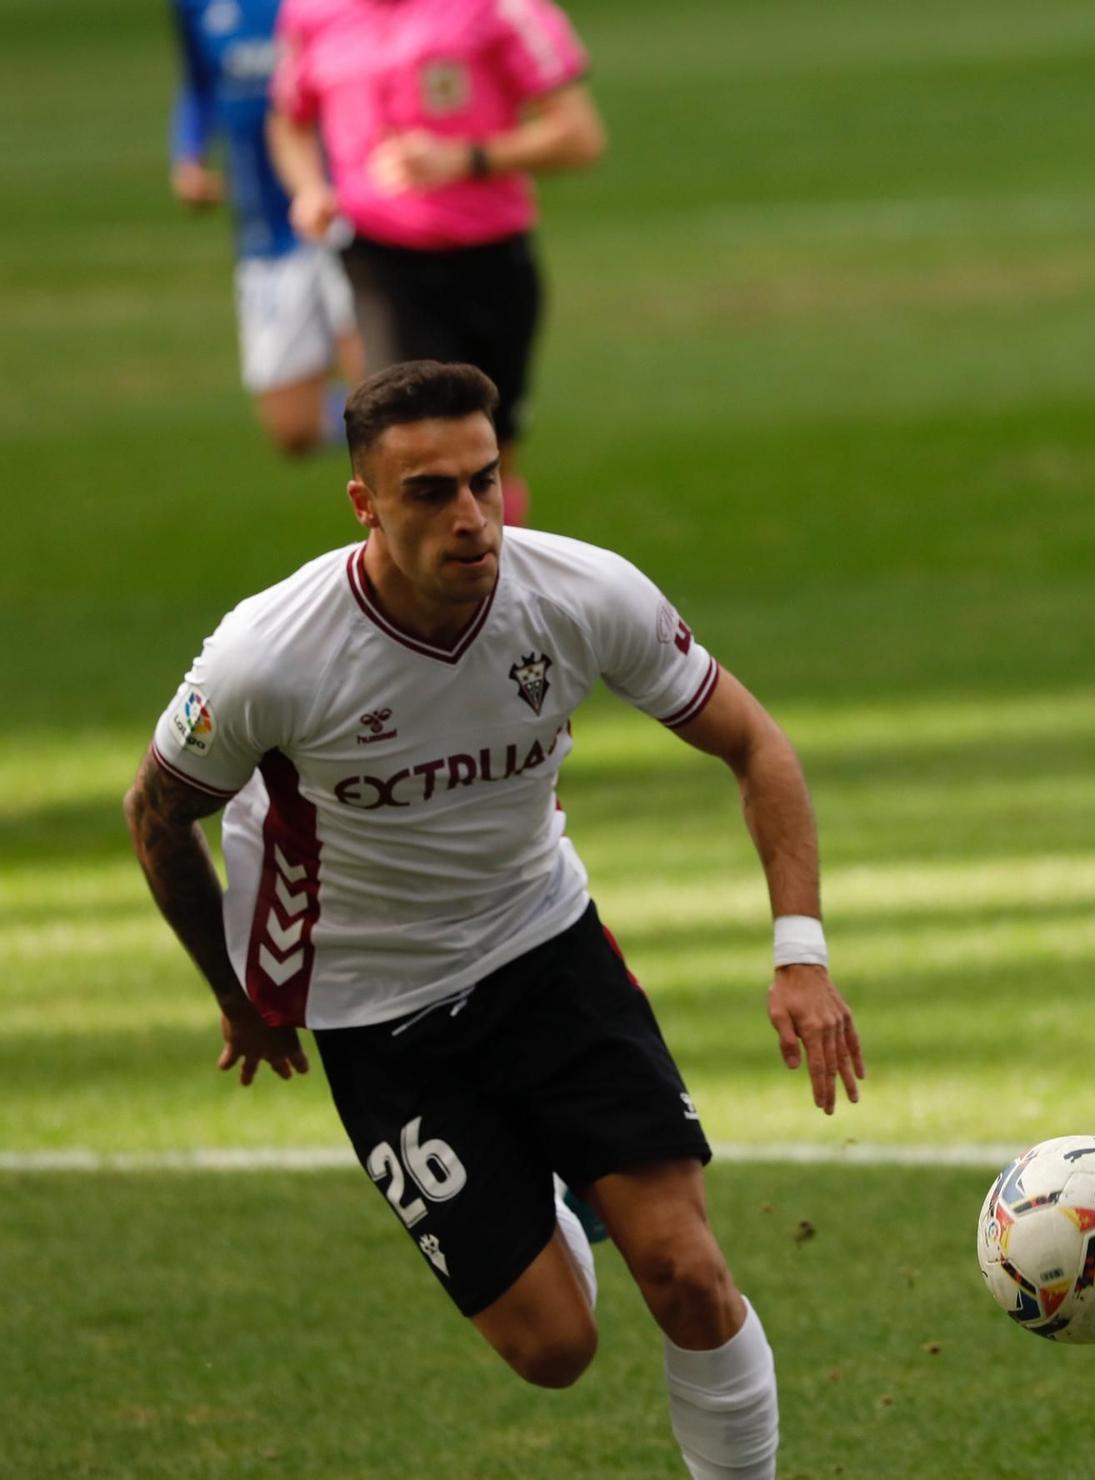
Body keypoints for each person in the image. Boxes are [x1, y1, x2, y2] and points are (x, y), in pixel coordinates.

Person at [124, 360, 863, 1479]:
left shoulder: (579, 594)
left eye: (483, 481)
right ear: (365, 503)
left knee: (686, 1270)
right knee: (554, 1349)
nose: (471, 519)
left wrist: (799, 953)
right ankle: (558, 1204)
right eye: (429, 492)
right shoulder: (270, 656)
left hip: (545, 949)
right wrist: (240, 993)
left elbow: (755, 745)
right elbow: (155, 812)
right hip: (374, 1009)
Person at [266, 0, 607, 525]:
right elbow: (289, 121)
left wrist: (467, 159)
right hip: (381, 259)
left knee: (489, 457)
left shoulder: (503, 9)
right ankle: (410, 599)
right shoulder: (309, 12)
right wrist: (310, 189)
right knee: (409, 448)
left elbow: (580, 137)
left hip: (490, 258)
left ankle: (496, 591)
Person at [167, 0, 362, 456]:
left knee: (377, 390)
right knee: (293, 428)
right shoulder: (196, 7)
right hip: (266, 233)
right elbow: (199, 84)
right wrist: (188, 154)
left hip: (345, 213)